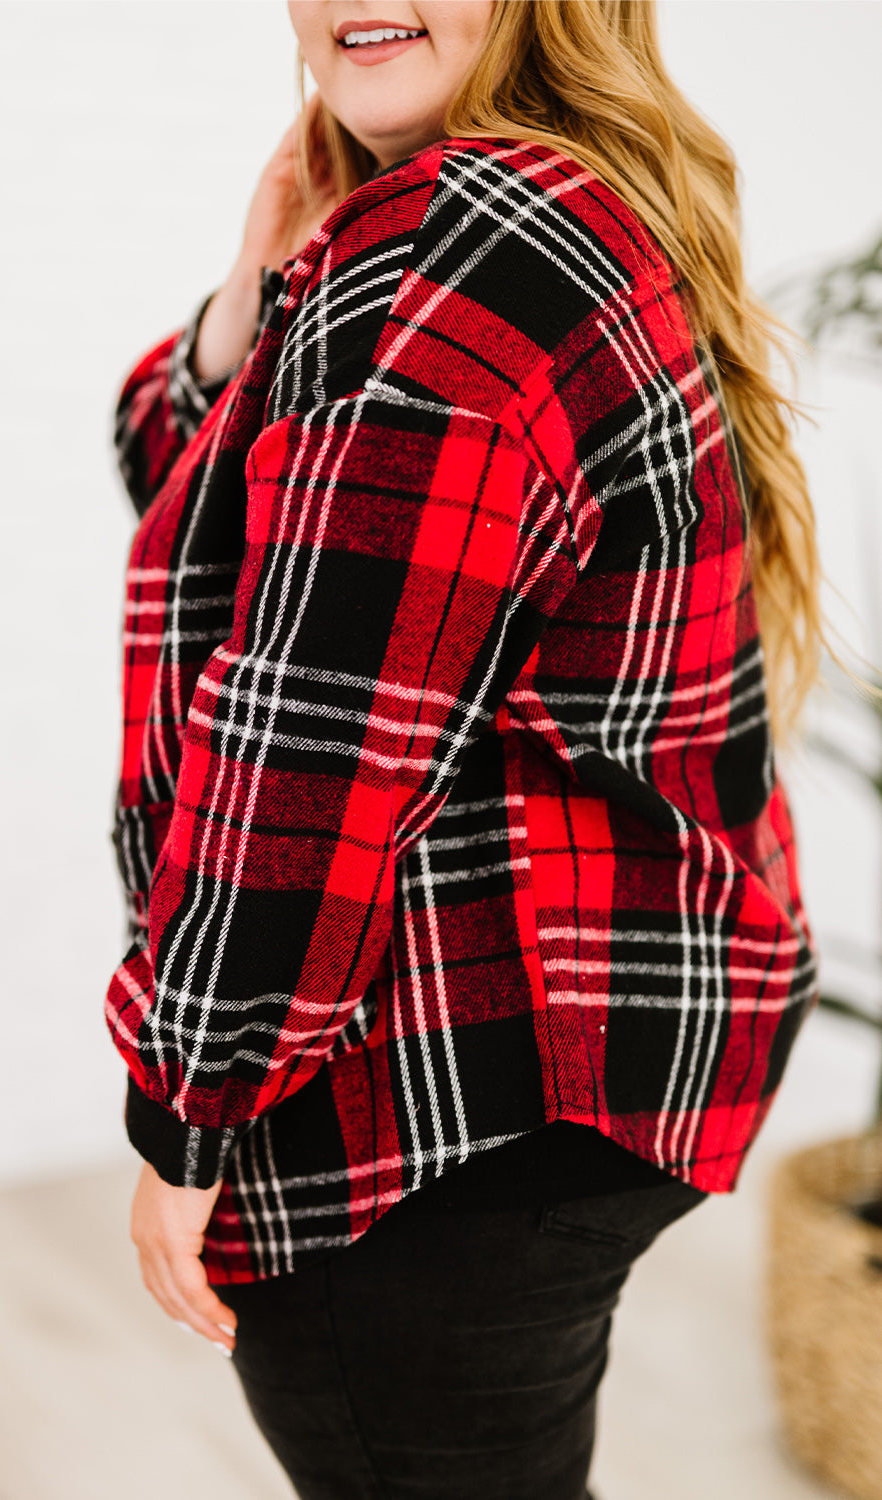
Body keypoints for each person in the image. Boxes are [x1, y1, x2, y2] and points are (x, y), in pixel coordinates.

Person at [105, 3, 826, 1496]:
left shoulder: (458, 247)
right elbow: (188, 483)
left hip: (454, 1091)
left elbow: (312, 740)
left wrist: (189, 1108)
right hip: (588, 1045)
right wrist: (268, 264)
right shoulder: (541, 201)